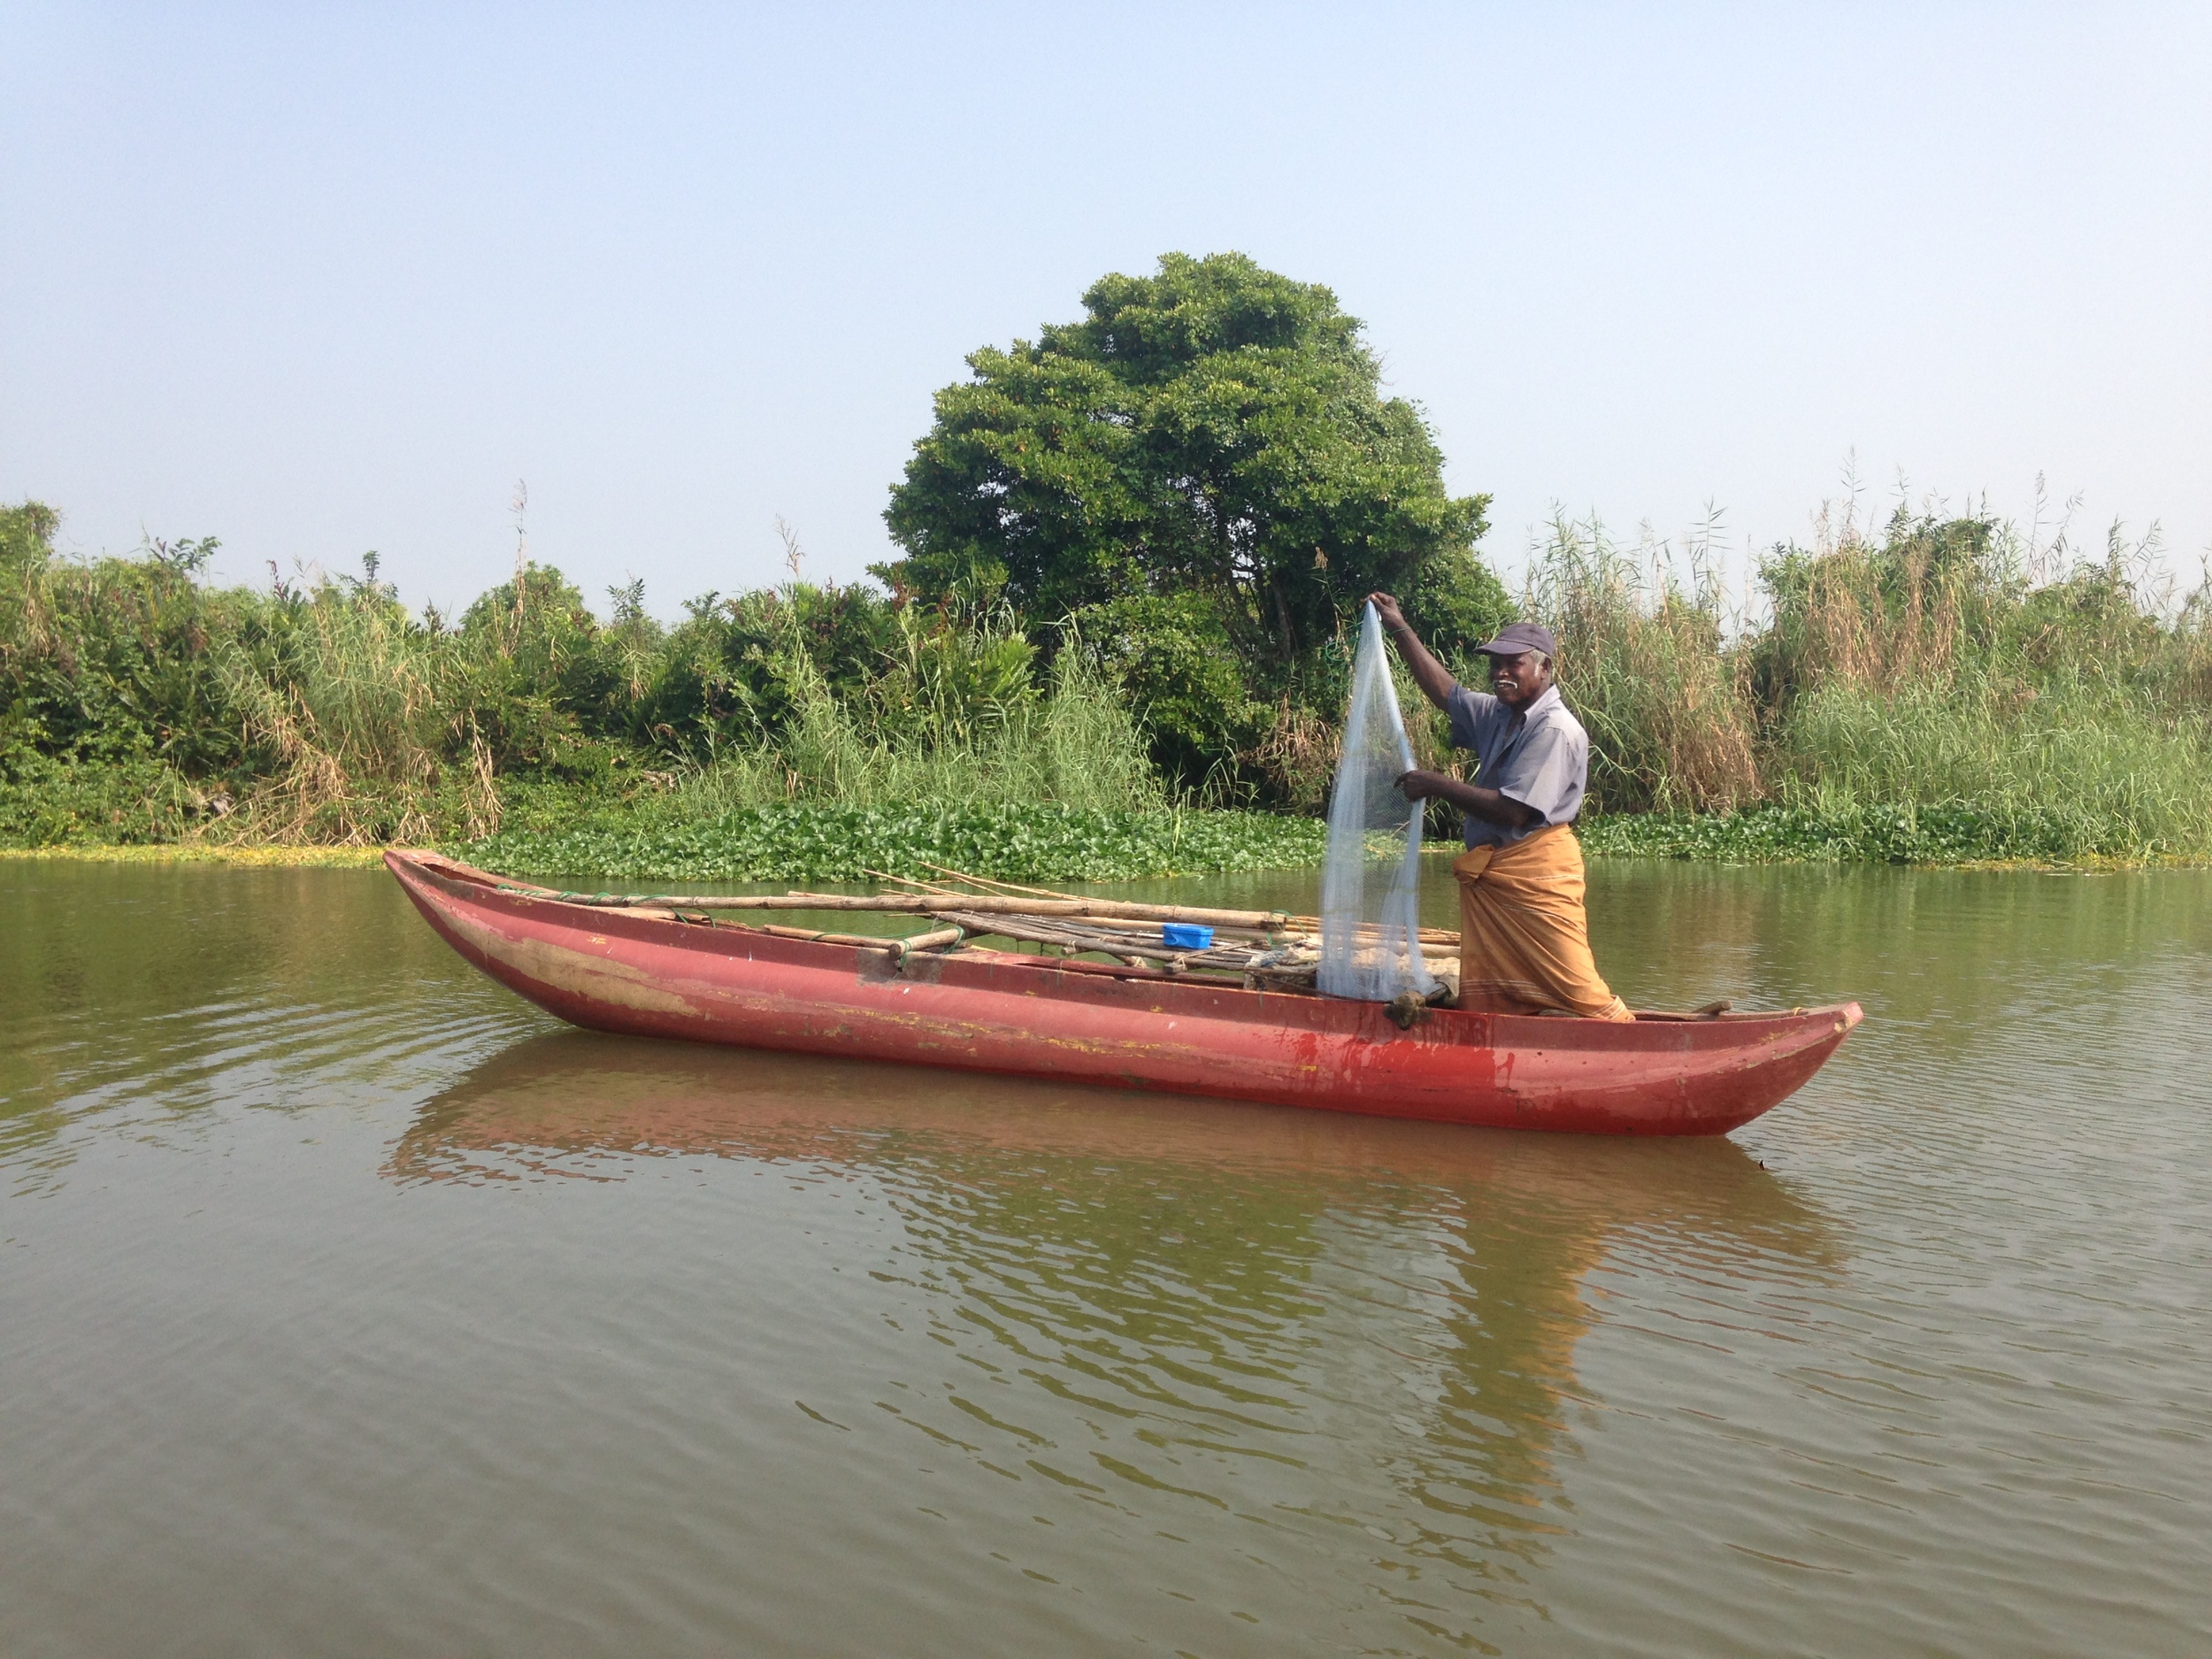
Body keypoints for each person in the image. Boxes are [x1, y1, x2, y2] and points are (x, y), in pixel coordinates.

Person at [1364, 593, 1632, 1021]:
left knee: (1574, 979)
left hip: (1536, 873)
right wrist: (1400, 627)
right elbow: (1446, 693)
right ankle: (1504, 1033)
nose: (1501, 673)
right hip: (1497, 874)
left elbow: (1513, 812)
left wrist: (1435, 783)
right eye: (1495, 664)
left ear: (1544, 669)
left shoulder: (1554, 729)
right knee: (1497, 986)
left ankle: (1618, 1032)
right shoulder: (1500, 713)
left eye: (1514, 664)